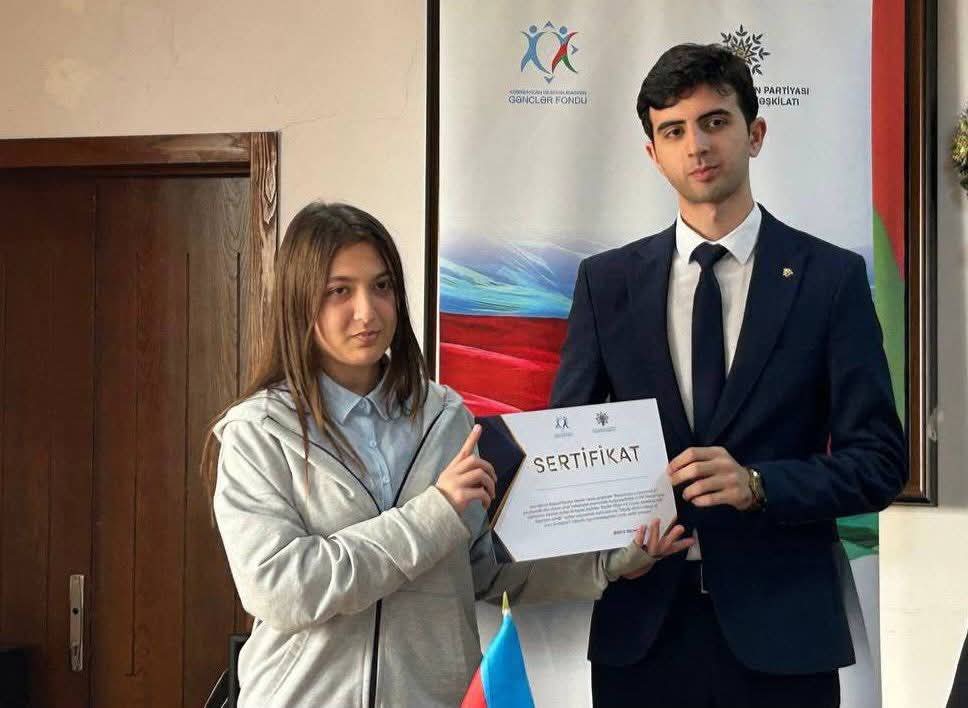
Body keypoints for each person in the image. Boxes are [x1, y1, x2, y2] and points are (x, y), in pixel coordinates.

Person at [200, 201, 692, 708]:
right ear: (299, 301)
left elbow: (479, 569)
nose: (367, 311)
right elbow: (280, 589)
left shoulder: (445, 417)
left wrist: (610, 561)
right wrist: (435, 512)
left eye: (382, 286)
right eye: (339, 291)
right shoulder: (259, 432)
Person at [550, 43, 907, 708]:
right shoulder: (606, 283)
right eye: (674, 131)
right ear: (653, 153)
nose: (697, 145)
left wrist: (759, 484)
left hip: (786, 634)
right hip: (642, 632)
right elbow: (569, 449)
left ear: (755, 133)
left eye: (715, 122)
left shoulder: (830, 279)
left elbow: (880, 463)